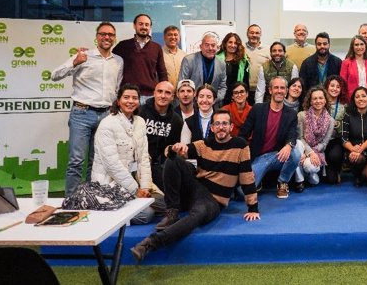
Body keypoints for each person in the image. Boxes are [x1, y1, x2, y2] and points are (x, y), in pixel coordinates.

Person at [130, 110, 260, 262]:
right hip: (194, 188)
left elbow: (247, 177)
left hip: (213, 200)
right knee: (173, 159)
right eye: (217, 124)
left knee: (197, 215)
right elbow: (170, 153)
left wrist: (253, 207)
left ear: (231, 127)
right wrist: (173, 148)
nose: (221, 127)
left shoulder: (240, 146)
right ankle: (172, 212)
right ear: (212, 127)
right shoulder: (203, 144)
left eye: (225, 123)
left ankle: (150, 243)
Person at [51, 22, 123, 196]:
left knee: (97, 161)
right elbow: (54, 75)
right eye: (103, 34)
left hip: (106, 115)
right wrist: (75, 62)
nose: (107, 37)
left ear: (114, 38)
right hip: (81, 114)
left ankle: (92, 199)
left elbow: (117, 88)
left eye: (111, 35)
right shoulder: (84, 55)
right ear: (97, 36)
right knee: (76, 160)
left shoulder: (118, 61)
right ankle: (72, 201)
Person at [91, 84, 155, 224]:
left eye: (134, 98)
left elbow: (144, 158)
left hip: (134, 183)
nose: (130, 101)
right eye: (126, 97)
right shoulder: (107, 124)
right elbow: (112, 166)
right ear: (118, 101)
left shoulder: (140, 122)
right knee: (147, 214)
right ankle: (108, 218)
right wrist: (135, 190)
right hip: (110, 185)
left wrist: (145, 188)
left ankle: (130, 206)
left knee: (164, 205)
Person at [239, 77, 301, 199]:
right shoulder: (257, 109)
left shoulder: (291, 114)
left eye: (282, 88)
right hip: (259, 157)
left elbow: (292, 134)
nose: (279, 91)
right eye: (276, 87)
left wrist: (288, 145)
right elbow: (243, 133)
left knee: (295, 152)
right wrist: (243, 157)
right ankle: (259, 179)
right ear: (270, 90)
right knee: (242, 193)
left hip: (278, 156)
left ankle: (282, 182)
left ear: (286, 91)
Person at [139, 81, 185, 191]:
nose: (163, 96)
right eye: (160, 91)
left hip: (159, 166)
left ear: (173, 97)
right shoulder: (141, 112)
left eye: (167, 93)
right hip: (138, 163)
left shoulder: (176, 120)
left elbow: (172, 149)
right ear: (154, 93)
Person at [112, 14, 168, 102]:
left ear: (150, 27)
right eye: (141, 24)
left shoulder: (156, 47)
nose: (144, 27)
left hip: (150, 96)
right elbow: (110, 64)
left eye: (146, 24)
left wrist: (163, 92)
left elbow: (162, 73)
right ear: (134, 25)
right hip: (128, 95)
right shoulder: (122, 46)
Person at [293, 87, 334, 187]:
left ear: (325, 100)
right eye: (314, 99)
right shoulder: (302, 115)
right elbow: (300, 137)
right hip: (302, 148)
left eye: (320, 98)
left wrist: (313, 153)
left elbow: (324, 143)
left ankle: (312, 174)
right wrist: (308, 152)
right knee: (297, 150)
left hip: (318, 152)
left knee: (309, 167)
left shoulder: (330, 120)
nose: (318, 101)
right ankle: (300, 180)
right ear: (310, 101)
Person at [342, 86, 367, 187]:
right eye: (357, 97)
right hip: (354, 152)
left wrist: (360, 149)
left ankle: (366, 172)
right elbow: (343, 137)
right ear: (353, 99)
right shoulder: (348, 114)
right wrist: (352, 149)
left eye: (363, 96)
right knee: (356, 158)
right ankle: (357, 175)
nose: (360, 99)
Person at [179, 33, 227, 103]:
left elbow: (223, 87)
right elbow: (182, 84)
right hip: (192, 104)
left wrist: (214, 100)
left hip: (213, 105)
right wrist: (197, 99)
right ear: (201, 46)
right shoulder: (189, 60)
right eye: (207, 45)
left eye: (213, 45)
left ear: (217, 47)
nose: (210, 48)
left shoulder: (221, 63)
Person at [340, 35, 367, 106]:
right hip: (352, 101)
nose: (359, 47)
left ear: (365, 46)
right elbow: (343, 85)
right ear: (352, 47)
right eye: (356, 45)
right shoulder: (346, 63)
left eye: (362, 44)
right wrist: (346, 102)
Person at [324, 75, 348, 184]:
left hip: (335, 139)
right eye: (332, 86)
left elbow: (347, 127)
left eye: (338, 87)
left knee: (332, 180)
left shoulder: (344, 106)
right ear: (327, 87)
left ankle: (337, 168)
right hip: (319, 140)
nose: (334, 89)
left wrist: (338, 125)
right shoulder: (320, 101)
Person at [216, 32, 250, 106]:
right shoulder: (216, 59)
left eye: (235, 43)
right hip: (219, 97)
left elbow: (245, 82)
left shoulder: (243, 61)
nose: (233, 45)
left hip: (236, 97)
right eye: (230, 42)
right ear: (225, 44)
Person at [244, 24, 270, 104]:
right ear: (247, 34)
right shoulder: (241, 48)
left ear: (260, 34)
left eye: (257, 33)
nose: (254, 35)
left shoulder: (268, 49)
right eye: (251, 33)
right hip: (245, 90)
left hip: (263, 90)